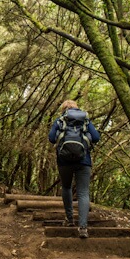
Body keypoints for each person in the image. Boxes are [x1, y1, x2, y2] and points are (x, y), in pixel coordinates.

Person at [48, 100, 100, 238]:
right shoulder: (85, 120)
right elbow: (96, 138)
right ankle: (83, 228)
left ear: (63, 109)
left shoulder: (60, 120)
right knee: (83, 193)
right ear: (77, 108)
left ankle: (70, 220)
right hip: (84, 160)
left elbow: (52, 139)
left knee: (66, 187)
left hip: (64, 161)